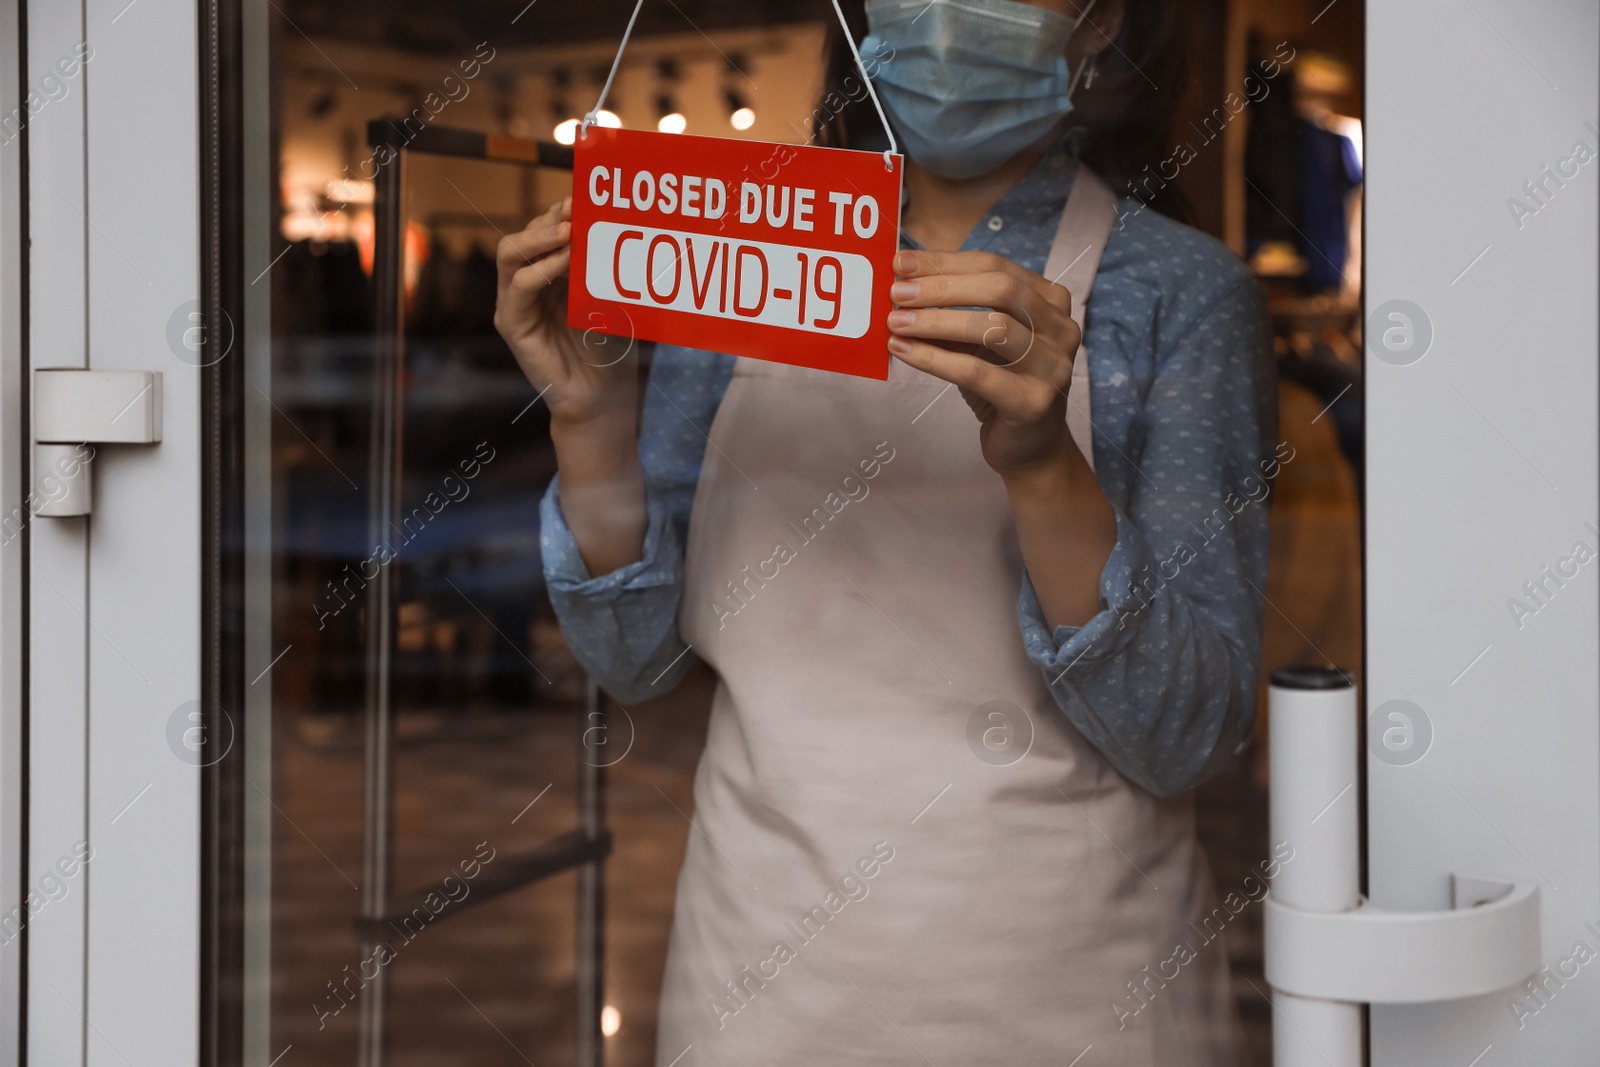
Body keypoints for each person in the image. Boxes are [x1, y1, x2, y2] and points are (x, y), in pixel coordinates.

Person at [495, 0, 1276, 1062]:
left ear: (1098, 26)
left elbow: (1184, 736)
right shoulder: (739, 249)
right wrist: (590, 421)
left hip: (1074, 987)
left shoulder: (1179, 296)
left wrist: (1044, 464)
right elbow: (632, 661)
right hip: (760, 978)